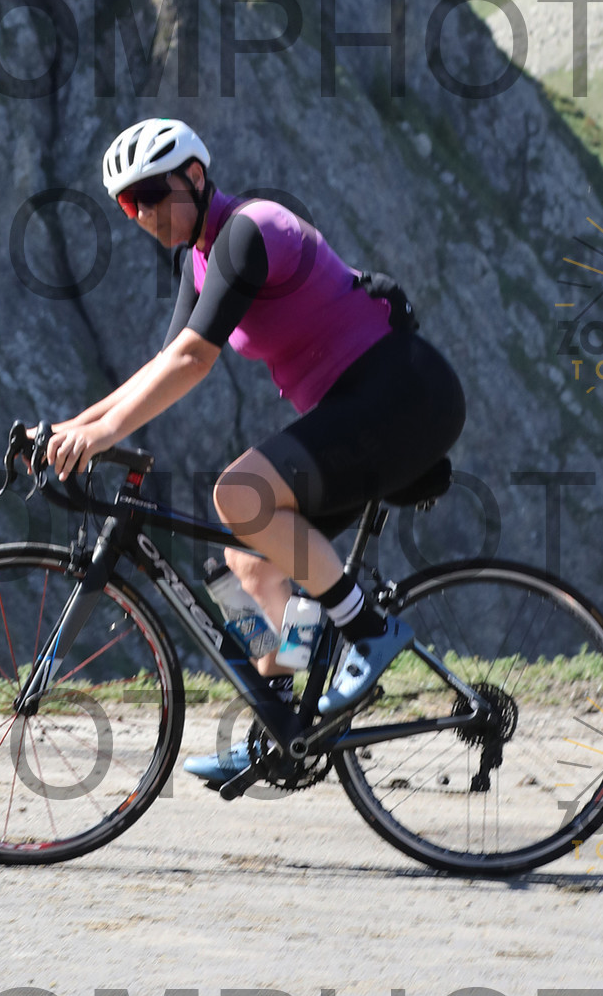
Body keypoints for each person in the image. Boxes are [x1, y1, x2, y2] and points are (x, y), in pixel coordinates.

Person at [44, 117, 467, 785]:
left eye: (151, 194)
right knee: (245, 566)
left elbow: (193, 359)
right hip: (363, 411)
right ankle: (284, 726)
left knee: (240, 494)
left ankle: (369, 631)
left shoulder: (250, 229)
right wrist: (72, 427)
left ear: (194, 176)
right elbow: (163, 363)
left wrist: (98, 436)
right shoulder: (199, 257)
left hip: (403, 396)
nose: (142, 213)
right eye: (127, 204)